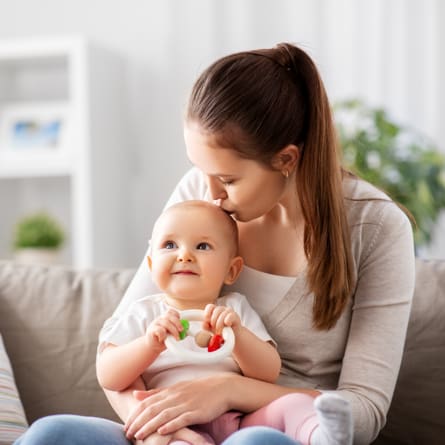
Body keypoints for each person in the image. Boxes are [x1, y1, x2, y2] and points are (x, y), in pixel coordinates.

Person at [13, 42, 415, 445]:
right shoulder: (199, 197)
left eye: (228, 179)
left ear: (286, 159)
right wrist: (163, 431)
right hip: (169, 432)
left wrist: (227, 392)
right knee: (51, 434)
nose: (210, 194)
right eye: (199, 169)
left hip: (271, 430)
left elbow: (364, 410)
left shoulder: (376, 227)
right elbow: (113, 357)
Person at [97, 200, 352, 445]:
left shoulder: (234, 308)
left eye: (203, 246)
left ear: (232, 270)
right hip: (173, 425)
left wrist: (239, 336)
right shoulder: (144, 312)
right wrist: (148, 345)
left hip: (238, 420)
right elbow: (108, 375)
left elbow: (268, 372)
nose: (184, 255)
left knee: (294, 404)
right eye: (170, 244)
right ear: (151, 265)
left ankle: (321, 435)